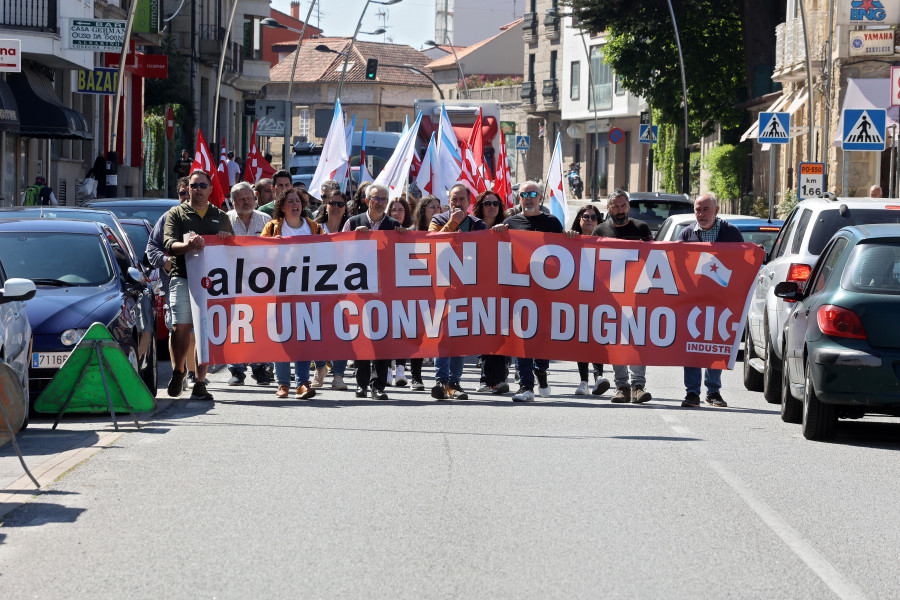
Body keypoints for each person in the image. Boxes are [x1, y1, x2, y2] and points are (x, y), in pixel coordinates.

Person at [499, 181, 579, 402]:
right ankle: (525, 386)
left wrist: (569, 236)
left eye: (533, 193)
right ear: (519, 198)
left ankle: (541, 372)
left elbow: (566, 249)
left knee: (542, 336)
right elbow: (497, 252)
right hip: (520, 290)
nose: (529, 197)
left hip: (546, 291)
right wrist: (495, 233)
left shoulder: (551, 222)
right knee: (522, 336)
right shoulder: (510, 222)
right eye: (524, 194)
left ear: (540, 198)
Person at [163, 170, 234, 401]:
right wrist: (188, 246)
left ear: (211, 189)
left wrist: (226, 238)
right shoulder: (176, 214)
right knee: (180, 328)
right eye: (194, 186)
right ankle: (179, 370)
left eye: (203, 185)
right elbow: (168, 244)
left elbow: (233, 250)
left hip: (213, 283)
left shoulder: (220, 215)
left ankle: (200, 382)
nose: (198, 190)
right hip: (183, 277)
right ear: (189, 189)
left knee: (205, 331)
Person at [677, 193, 744, 408]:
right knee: (692, 347)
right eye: (697, 209)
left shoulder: (731, 233)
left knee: (715, 345)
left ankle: (713, 392)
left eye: (706, 209)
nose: (701, 214)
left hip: (720, 301)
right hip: (693, 302)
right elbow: (677, 267)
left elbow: (742, 265)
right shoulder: (686, 234)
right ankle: (692, 393)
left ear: (716, 210)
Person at [343, 183, 405, 400]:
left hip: (385, 292)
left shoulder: (394, 225)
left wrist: (404, 238)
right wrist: (353, 237)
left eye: (384, 199)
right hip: (359, 290)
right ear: (367, 200)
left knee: (382, 341)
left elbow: (405, 257)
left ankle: (378, 385)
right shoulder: (353, 222)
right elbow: (339, 253)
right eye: (376, 198)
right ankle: (361, 384)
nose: (380, 203)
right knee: (362, 338)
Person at [592, 190, 653, 404]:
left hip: (637, 295)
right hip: (610, 297)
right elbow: (590, 261)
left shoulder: (641, 228)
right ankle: (622, 387)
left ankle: (638, 386)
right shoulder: (600, 230)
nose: (620, 210)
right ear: (608, 208)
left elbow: (653, 258)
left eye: (623, 205)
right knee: (617, 341)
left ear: (628, 206)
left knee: (636, 340)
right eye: (615, 206)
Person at [428, 184, 488, 401]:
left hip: (467, 289)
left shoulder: (477, 224)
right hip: (442, 288)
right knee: (442, 335)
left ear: (469, 201)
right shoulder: (439, 220)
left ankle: (454, 382)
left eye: (462, 199)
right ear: (449, 201)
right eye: (454, 199)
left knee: (459, 336)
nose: (458, 203)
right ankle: (440, 381)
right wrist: (453, 222)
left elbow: (486, 252)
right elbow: (433, 242)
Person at [262, 187, 322, 399]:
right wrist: (271, 246)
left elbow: (326, 253)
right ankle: (283, 383)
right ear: (282, 207)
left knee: (303, 337)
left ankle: (302, 383)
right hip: (279, 290)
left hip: (307, 290)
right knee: (282, 337)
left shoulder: (314, 227)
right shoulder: (272, 227)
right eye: (290, 201)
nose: (295, 204)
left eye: (298, 201)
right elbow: (259, 254)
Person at [225, 181, 272, 386]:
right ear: (233, 201)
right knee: (235, 326)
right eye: (241, 199)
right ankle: (236, 369)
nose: (246, 202)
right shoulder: (224, 221)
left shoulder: (266, 220)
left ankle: (260, 368)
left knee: (259, 325)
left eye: (249, 198)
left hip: (261, 283)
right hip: (232, 282)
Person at [309, 190, 351, 391]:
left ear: (345, 208)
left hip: (345, 287)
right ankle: (319, 368)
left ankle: (339, 375)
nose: (336, 207)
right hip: (317, 287)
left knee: (342, 332)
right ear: (325, 205)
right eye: (332, 203)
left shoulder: (351, 228)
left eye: (340, 204)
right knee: (317, 331)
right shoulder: (314, 228)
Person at [471, 190, 512, 395]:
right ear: (480, 205)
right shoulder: (471, 226)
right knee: (485, 334)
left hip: (503, 288)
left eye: (496, 203)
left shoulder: (510, 226)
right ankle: (489, 379)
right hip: (476, 287)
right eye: (487, 203)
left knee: (499, 335)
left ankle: (497, 379)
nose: (492, 206)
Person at [570, 205, 611, 396]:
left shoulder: (606, 241)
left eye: (594, 217)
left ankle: (599, 377)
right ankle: (583, 381)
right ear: (579, 219)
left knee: (597, 337)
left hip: (600, 297)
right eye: (585, 216)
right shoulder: (569, 240)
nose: (589, 219)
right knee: (581, 339)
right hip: (577, 297)